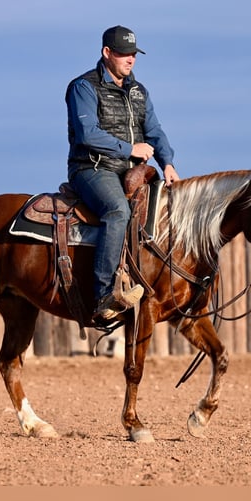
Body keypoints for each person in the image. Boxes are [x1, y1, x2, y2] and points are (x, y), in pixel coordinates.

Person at [66, 25, 180, 322]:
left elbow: (154, 131)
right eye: (123, 54)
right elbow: (87, 133)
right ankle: (103, 294)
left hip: (133, 171)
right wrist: (129, 149)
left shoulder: (139, 92)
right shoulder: (83, 87)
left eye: (133, 54)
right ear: (107, 53)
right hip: (92, 168)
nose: (130, 60)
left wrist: (167, 162)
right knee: (117, 211)